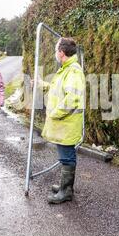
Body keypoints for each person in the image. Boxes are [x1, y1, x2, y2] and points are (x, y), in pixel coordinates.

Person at [41, 37, 85, 204]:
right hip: (64, 123)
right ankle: (64, 186)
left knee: (67, 157)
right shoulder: (66, 69)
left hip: (66, 123)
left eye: (55, 51)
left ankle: (66, 191)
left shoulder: (72, 70)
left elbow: (72, 98)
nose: (55, 54)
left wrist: (54, 113)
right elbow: (58, 88)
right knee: (65, 155)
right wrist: (42, 84)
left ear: (61, 53)